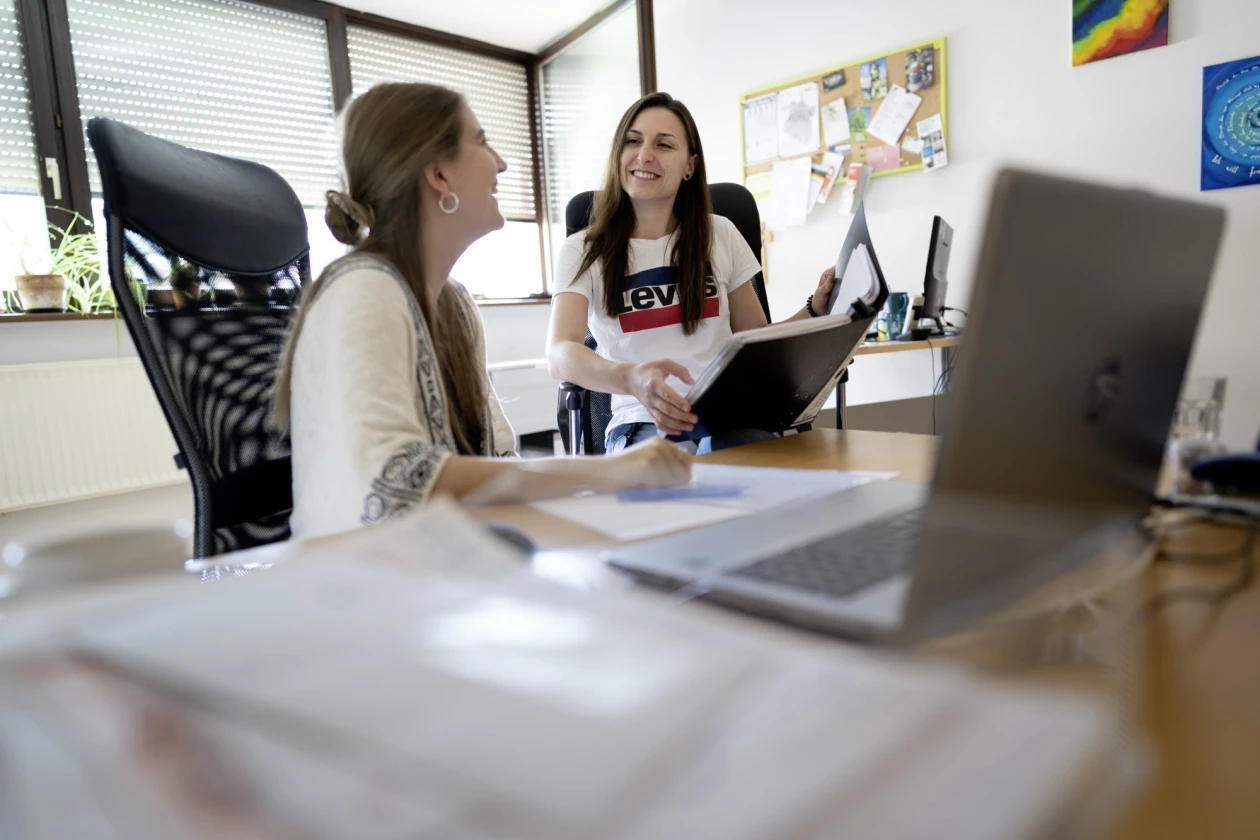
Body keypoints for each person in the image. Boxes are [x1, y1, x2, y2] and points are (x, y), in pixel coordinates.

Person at [273, 83, 691, 541]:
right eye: (481, 141)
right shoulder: (363, 288)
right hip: (365, 584)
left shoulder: (453, 305)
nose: (501, 162)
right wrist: (607, 472)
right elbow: (393, 483)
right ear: (439, 175)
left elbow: (496, 461)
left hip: (448, 559)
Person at [546, 92, 836, 455]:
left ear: (690, 165)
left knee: (754, 472)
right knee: (680, 487)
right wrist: (631, 379)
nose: (644, 155)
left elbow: (757, 341)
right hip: (643, 419)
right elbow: (560, 353)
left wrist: (816, 309)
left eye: (664, 144)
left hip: (729, 415)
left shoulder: (721, 234)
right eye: (632, 141)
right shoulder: (584, 249)